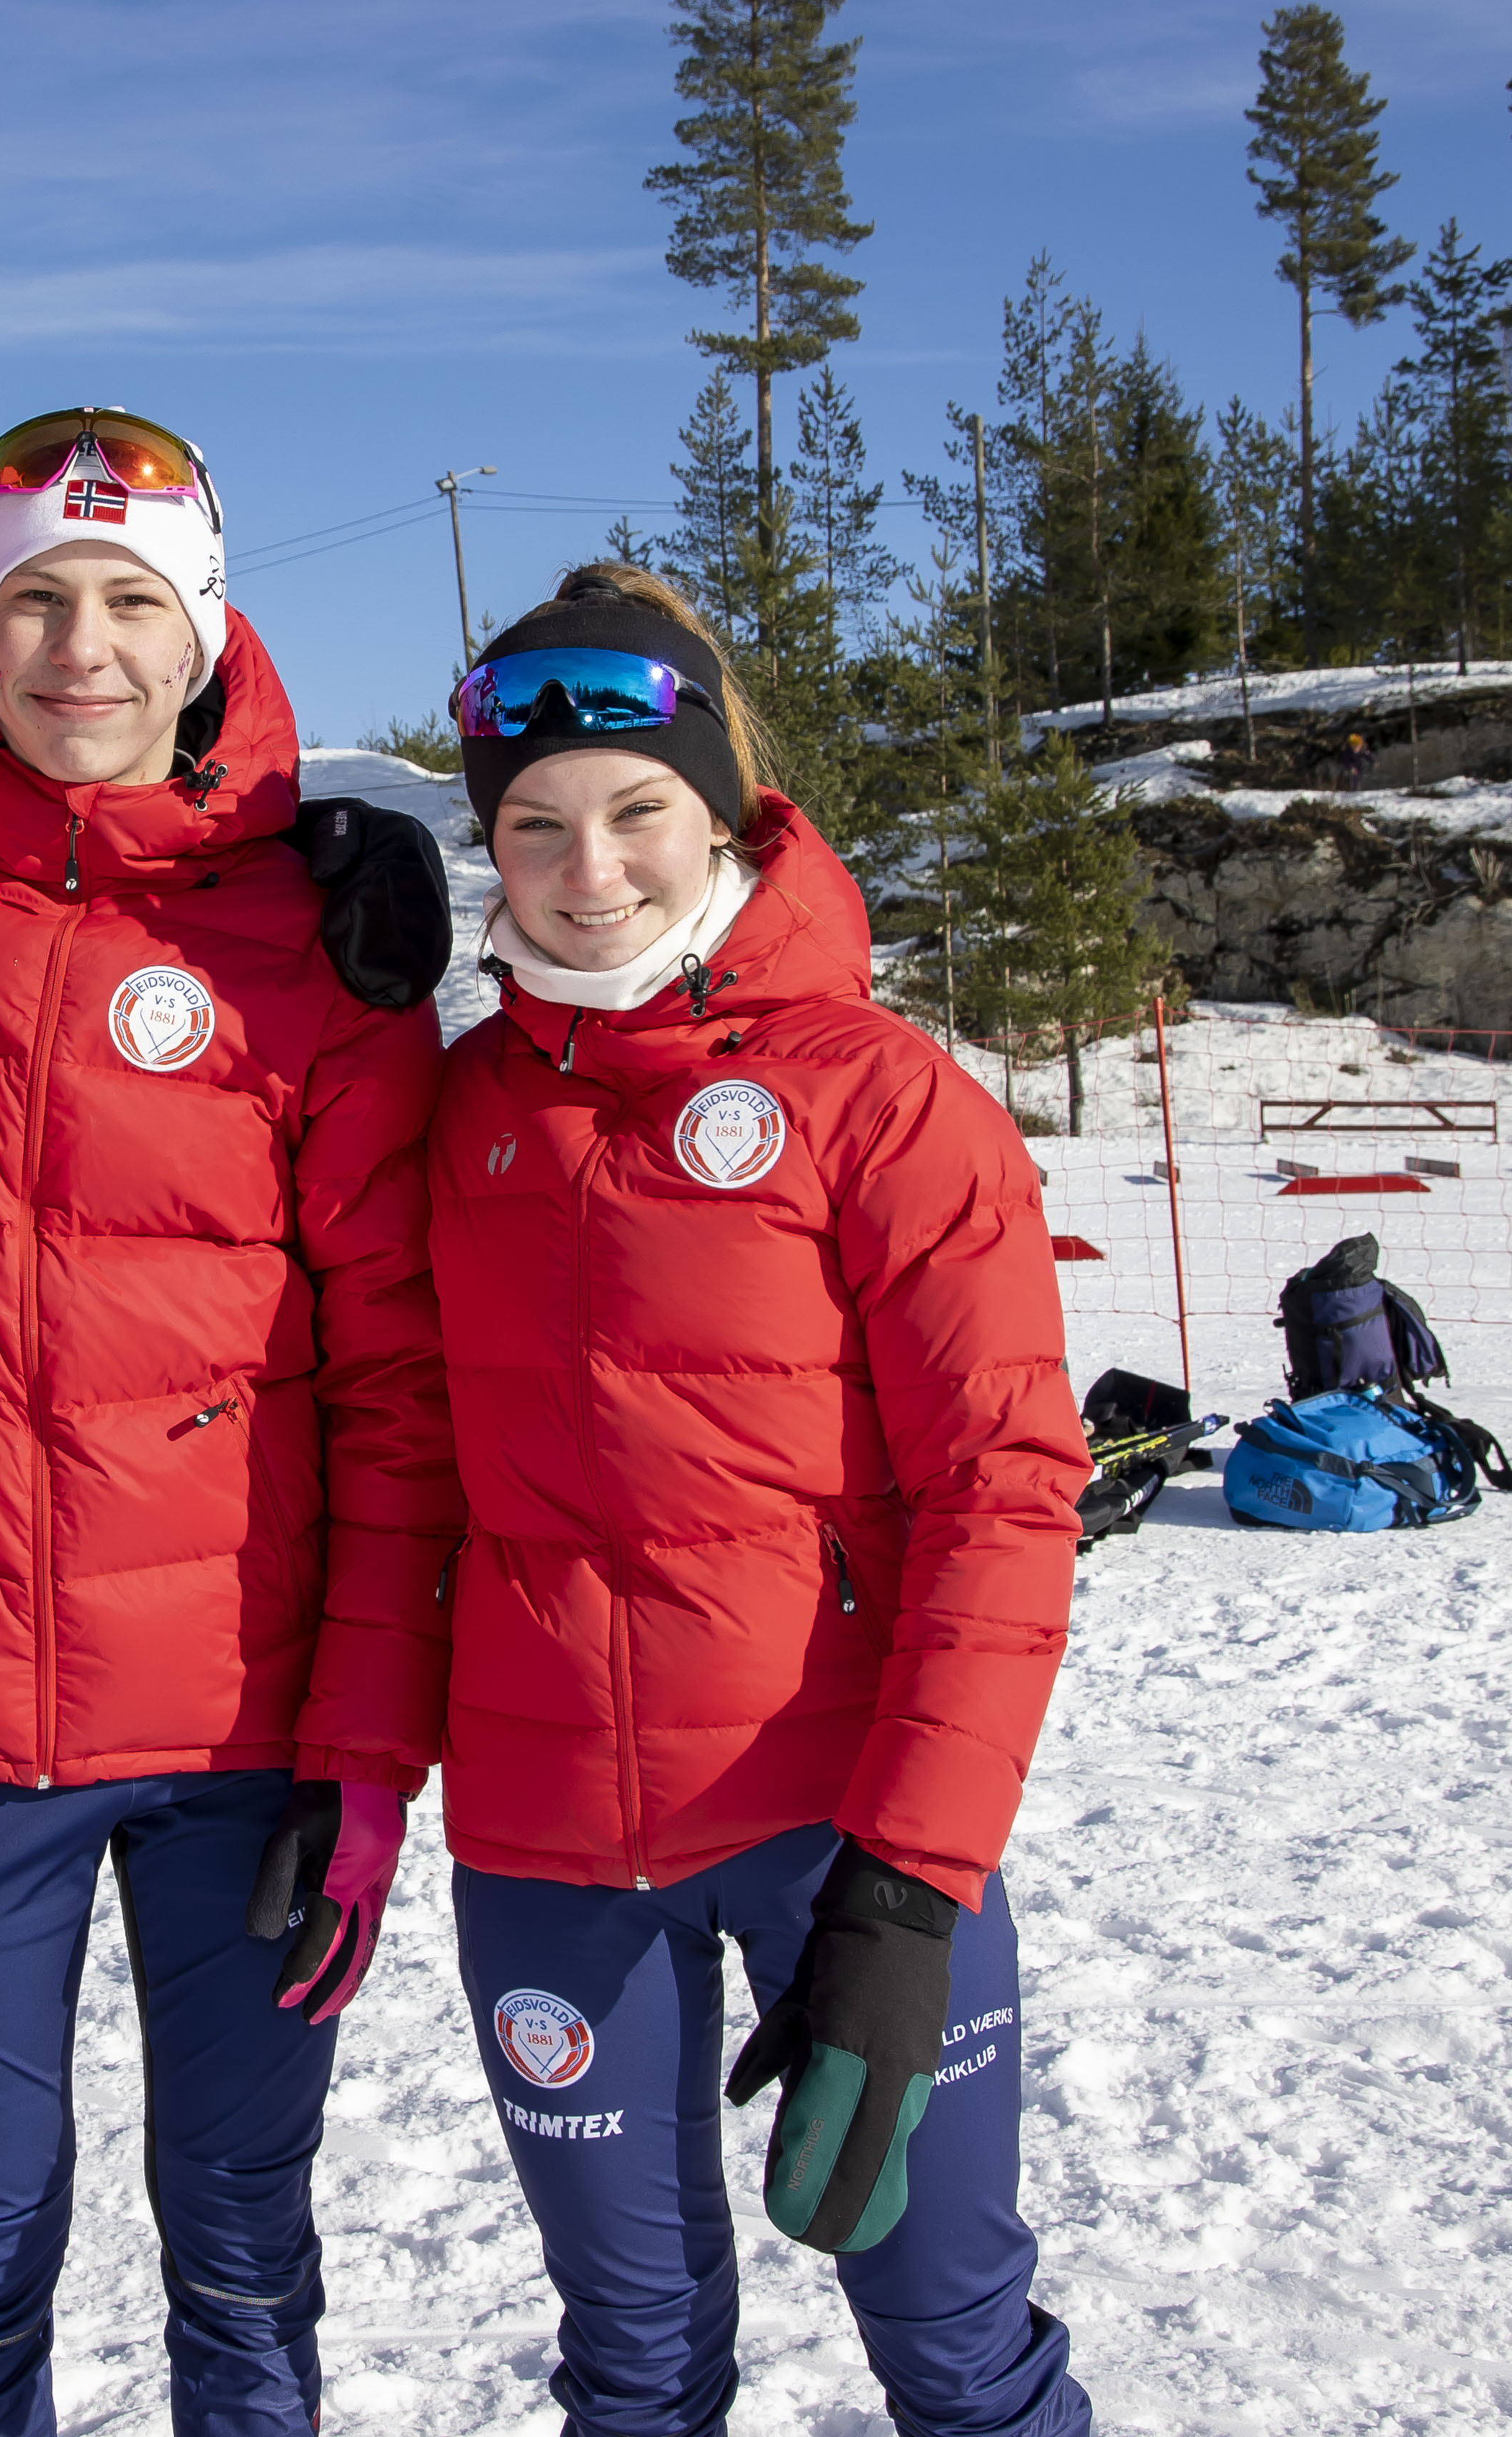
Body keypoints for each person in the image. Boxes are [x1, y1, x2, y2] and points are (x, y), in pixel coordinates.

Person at [295, 564, 1094, 2436]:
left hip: (844, 1834)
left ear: (723, 809)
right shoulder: (464, 1110)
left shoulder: (883, 1101)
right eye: (535, 826)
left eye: (639, 810)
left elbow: (1007, 1497)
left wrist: (903, 1897)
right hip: (549, 1849)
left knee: (957, 2348)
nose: (592, 872)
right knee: (631, 2368)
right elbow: (400, 1460)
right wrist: (355, 1769)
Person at [0, 406, 460, 2436]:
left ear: (206, 631)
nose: (83, 650)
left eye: (133, 603)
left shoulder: (319, 941)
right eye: (37, 602)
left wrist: (365, 1751)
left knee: (242, 2250)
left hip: (242, 1740)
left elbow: (402, 1390)